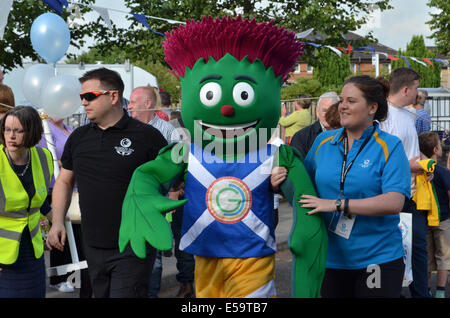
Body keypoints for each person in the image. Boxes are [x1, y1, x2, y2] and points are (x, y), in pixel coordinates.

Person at [46, 67, 168, 298]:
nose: (83, 102)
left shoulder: (147, 137)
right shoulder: (79, 138)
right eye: (81, 97)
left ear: (113, 97)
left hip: (133, 245)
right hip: (91, 245)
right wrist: (57, 222)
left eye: (89, 96)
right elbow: (64, 181)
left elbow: (170, 180)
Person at [298, 75, 411, 297]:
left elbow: (394, 201)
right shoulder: (323, 142)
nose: (342, 107)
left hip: (377, 259)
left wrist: (337, 204)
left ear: (372, 107)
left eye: (351, 101)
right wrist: (279, 179)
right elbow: (303, 184)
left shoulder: (390, 146)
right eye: (341, 100)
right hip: (329, 259)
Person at [379, 67, 431, 298]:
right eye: (417, 87)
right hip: (391, 196)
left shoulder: (408, 114)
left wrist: (426, 163)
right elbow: (382, 159)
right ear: (407, 88)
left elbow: (414, 152)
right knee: (394, 253)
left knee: (418, 251)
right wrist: (412, 165)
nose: (418, 92)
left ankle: (421, 294)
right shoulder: (383, 116)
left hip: (412, 195)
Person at [0, 106, 54, 298]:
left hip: (32, 252)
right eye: (7, 129)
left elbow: (39, 200)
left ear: (31, 131)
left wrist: (57, 220)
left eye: (18, 130)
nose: (11, 136)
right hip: (2, 258)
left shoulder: (44, 157)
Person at [418, 132, 450, 298]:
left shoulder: (418, 170)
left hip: (424, 218)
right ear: (436, 150)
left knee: (426, 257)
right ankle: (440, 291)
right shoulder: (443, 172)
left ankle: (426, 289)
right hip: (443, 219)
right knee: (444, 256)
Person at [290, 92, 340, 159]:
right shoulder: (301, 137)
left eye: (332, 111)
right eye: (324, 110)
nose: (328, 115)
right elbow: (298, 166)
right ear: (317, 111)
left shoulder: (348, 135)